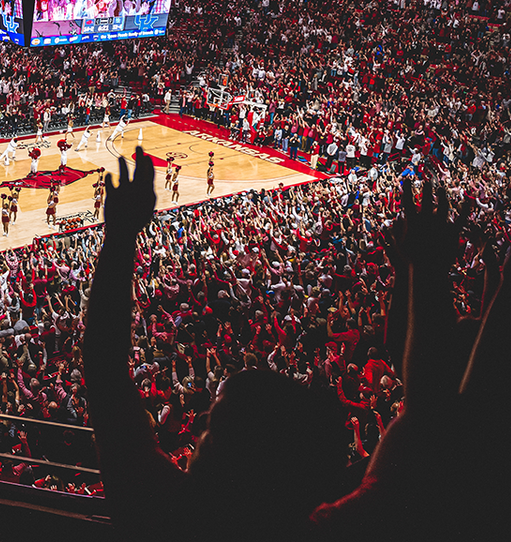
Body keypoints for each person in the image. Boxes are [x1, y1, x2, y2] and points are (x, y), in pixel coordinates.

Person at [84, 146, 342, 540]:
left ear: (242, 456)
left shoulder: (172, 514)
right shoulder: (309, 522)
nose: (202, 422)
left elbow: (103, 371)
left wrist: (121, 236)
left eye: (216, 423)